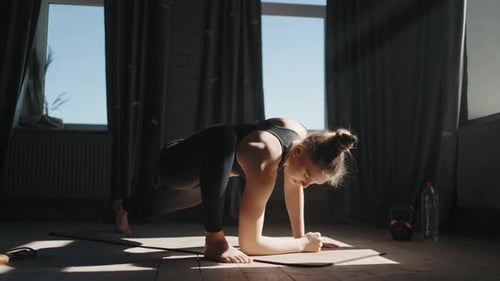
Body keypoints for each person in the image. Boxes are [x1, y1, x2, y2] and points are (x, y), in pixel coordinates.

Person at [113, 117, 358, 263]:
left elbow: (294, 186)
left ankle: (123, 206)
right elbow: (250, 244)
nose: (305, 184)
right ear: (297, 152)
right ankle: (214, 239)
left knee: (161, 204)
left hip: (208, 180)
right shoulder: (266, 158)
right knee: (224, 135)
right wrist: (302, 245)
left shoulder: (299, 135)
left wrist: (301, 236)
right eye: (307, 175)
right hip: (176, 163)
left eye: (313, 182)